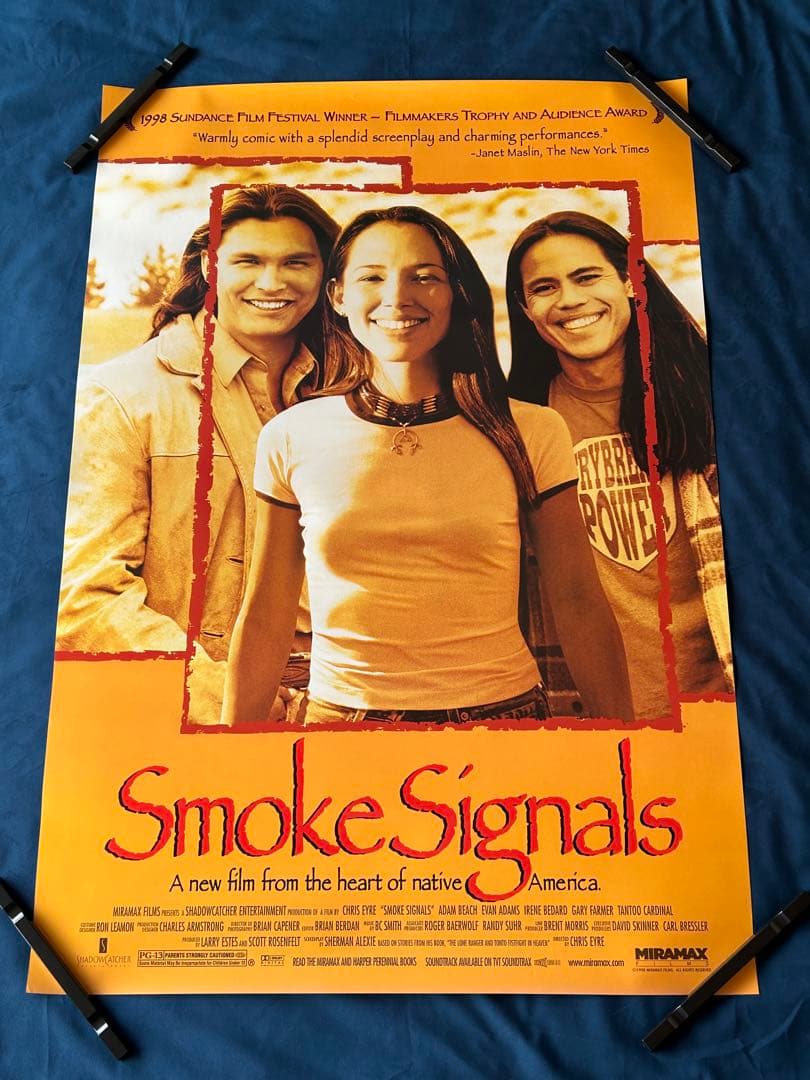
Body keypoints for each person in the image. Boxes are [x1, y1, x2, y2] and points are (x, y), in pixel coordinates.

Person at [223, 205, 632, 727]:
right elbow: (265, 615)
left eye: (424, 277)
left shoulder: (533, 430)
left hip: (503, 720)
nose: (397, 296)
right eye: (372, 277)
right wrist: (230, 750)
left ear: (454, 294)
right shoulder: (290, 435)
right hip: (341, 723)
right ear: (338, 296)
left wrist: (627, 741)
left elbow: (579, 602)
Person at [56, 184, 339, 724]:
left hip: (345, 702)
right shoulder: (124, 396)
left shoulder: (350, 393)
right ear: (210, 267)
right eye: (248, 261)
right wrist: (220, 694)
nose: (272, 282)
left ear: (326, 275)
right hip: (211, 713)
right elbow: (84, 599)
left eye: (296, 262)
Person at [506, 210, 734, 719]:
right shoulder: (514, 428)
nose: (569, 300)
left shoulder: (717, 400)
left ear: (630, 281)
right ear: (525, 309)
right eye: (544, 288)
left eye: (587, 277)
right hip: (586, 716)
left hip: (723, 706)